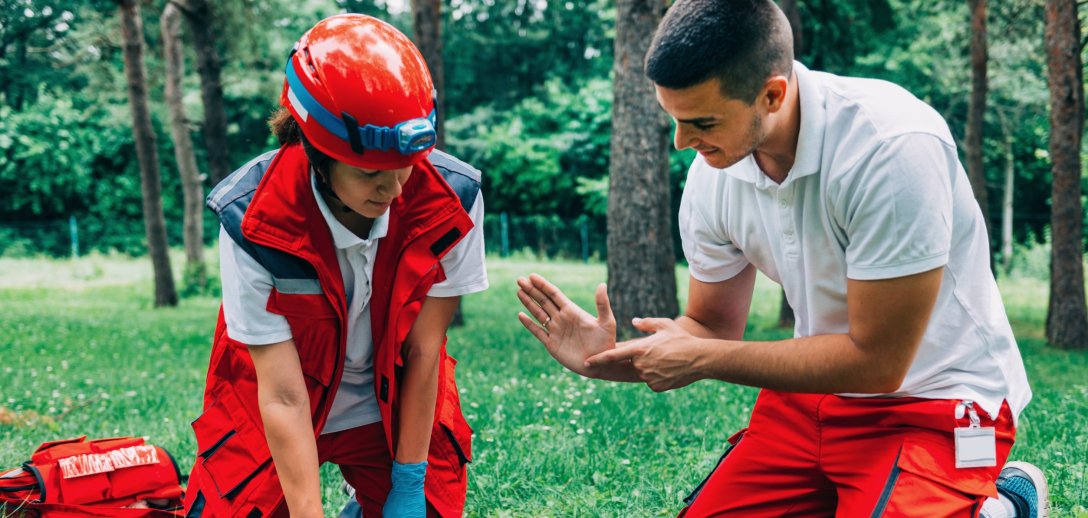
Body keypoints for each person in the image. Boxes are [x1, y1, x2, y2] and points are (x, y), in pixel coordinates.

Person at [515, 0, 1048, 516]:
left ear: (772, 95)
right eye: (674, 119)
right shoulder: (714, 171)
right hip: (810, 400)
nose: (681, 142)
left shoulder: (891, 148)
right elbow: (710, 328)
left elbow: (880, 365)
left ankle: (1005, 504)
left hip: (936, 402)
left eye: (700, 121)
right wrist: (608, 361)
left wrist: (703, 358)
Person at [183, 14, 486, 518]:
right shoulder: (251, 219)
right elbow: (281, 397)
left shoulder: (454, 197)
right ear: (315, 153)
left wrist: (408, 482)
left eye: (405, 168)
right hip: (274, 409)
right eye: (369, 174)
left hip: (394, 406)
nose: (395, 192)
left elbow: (424, 350)